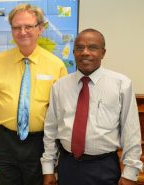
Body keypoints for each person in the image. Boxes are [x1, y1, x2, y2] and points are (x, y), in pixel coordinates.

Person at [0, 4, 67, 185]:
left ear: (40, 29)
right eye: (17, 27)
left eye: (28, 26)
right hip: (2, 143)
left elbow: (62, 116)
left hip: (39, 145)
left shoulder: (56, 66)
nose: (22, 32)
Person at [41, 28, 143, 185]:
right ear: (74, 52)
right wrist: (48, 169)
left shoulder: (121, 84)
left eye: (92, 47)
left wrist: (130, 173)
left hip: (103, 167)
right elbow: (51, 130)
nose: (85, 52)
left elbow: (131, 132)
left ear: (103, 53)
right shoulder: (60, 86)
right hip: (68, 165)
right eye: (79, 48)